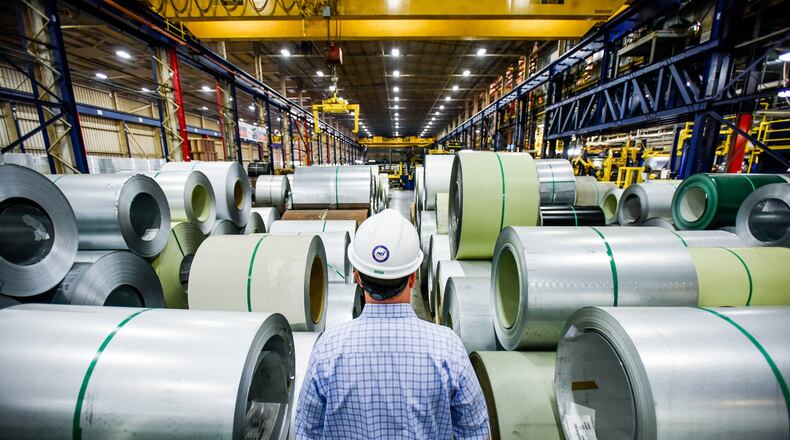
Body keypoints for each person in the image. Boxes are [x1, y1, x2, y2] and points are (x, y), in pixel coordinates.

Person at [295, 209, 489, 439]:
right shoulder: (447, 348)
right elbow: (476, 432)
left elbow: (306, 432)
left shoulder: (327, 348)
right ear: (413, 278)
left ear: (357, 277)